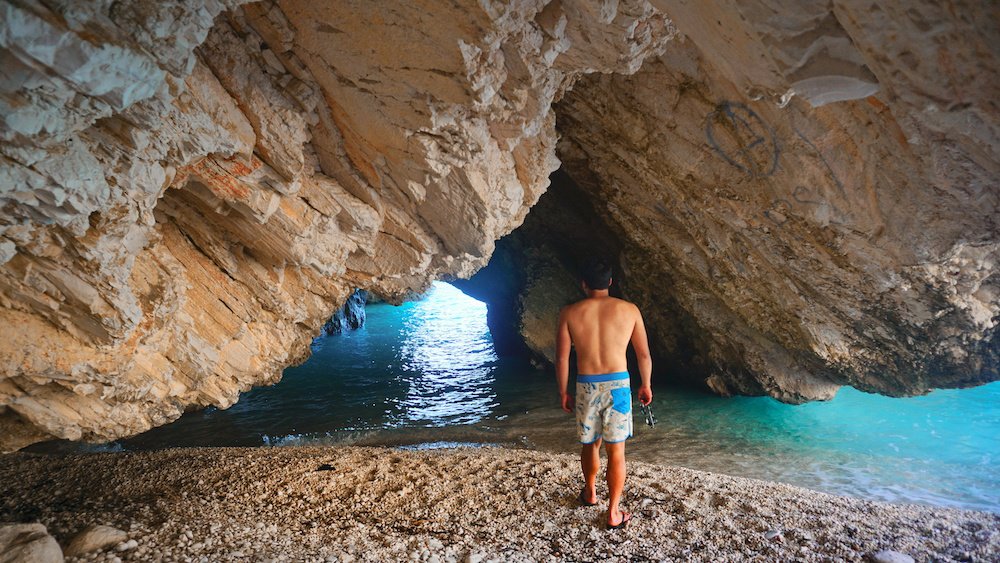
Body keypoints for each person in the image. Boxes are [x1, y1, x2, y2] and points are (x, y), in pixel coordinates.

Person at [555, 258, 652, 530]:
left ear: (583, 284)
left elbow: (562, 358)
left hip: (586, 384)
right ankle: (613, 512)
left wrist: (563, 390)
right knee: (617, 451)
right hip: (618, 386)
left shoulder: (570, 312)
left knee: (590, 443)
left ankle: (590, 492)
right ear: (610, 282)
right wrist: (646, 384)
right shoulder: (629, 310)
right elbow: (643, 354)